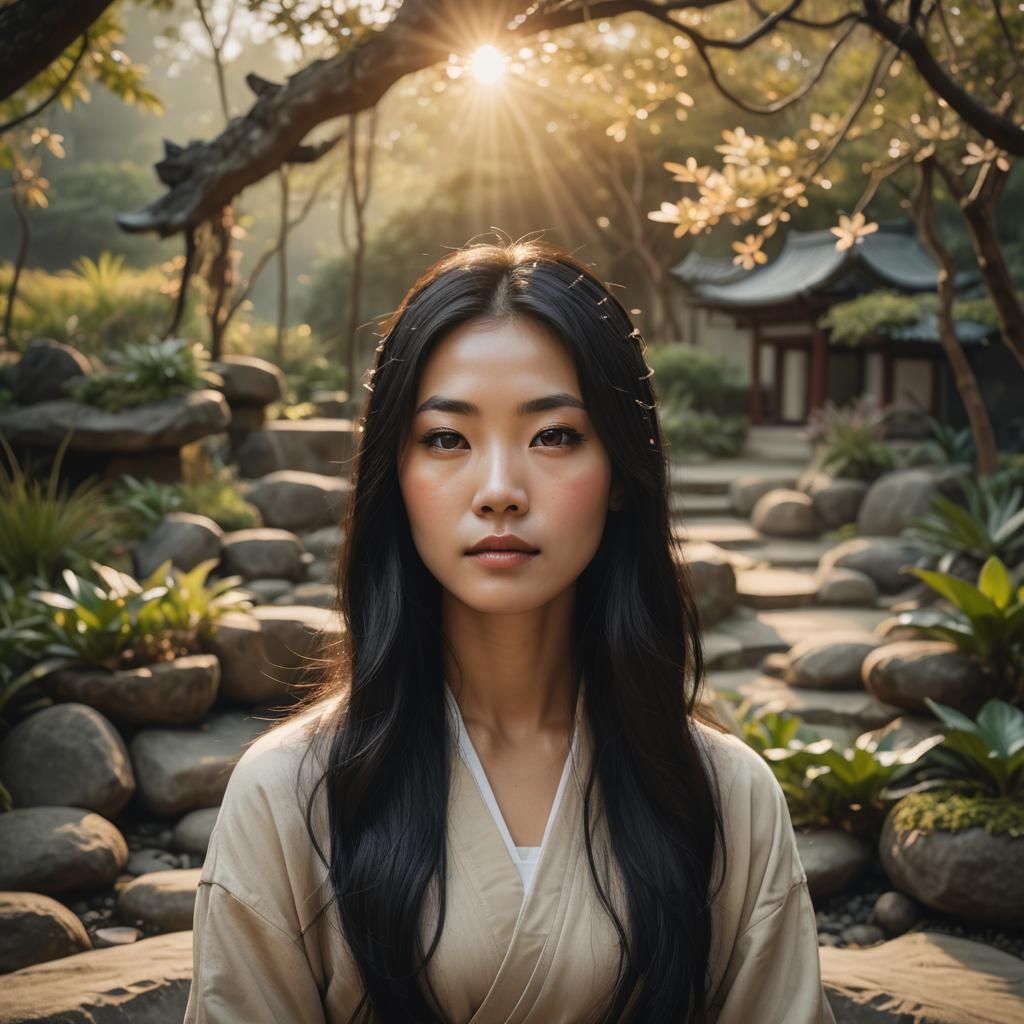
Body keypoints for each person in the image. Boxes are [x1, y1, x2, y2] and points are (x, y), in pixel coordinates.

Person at [183, 238, 836, 1024]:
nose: (498, 490)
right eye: (447, 439)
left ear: (623, 473)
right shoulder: (288, 793)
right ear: (397, 475)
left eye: (554, 435)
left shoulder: (724, 794)